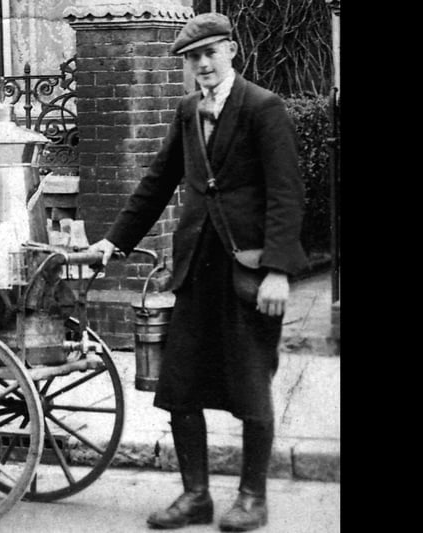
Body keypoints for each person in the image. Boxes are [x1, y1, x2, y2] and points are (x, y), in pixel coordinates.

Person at [87, 12, 308, 532]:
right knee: (180, 385)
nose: (201, 65)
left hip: (249, 272)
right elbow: (157, 182)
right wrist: (113, 242)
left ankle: (252, 499)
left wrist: (277, 270)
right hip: (194, 271)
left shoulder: (263, 107)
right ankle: (196, 498)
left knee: (251, 384)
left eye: (209, 53)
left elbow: (286, 194)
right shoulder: (187, 111)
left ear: (231, 51)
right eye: (192, 58)